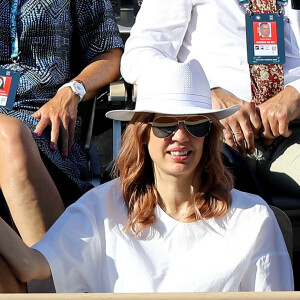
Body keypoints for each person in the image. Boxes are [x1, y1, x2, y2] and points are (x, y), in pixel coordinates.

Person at [0, 59, 293, 293]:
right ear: (142, 134)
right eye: (165, 124)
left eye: (196, 125)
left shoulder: (253, 219)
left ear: (209, 136)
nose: (181, 136)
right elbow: (31, 267)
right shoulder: (101, 209)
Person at [120, 0, 300, 199]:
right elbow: (139, 57)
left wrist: (296, 93)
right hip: (208, 132)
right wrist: (206, 93)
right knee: (221, 201)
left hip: (292, 133)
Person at [0, 0, 123, 248]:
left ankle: (51, 275)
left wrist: (73, 91)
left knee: (9, 134)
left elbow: (109, 54)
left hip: (42, 118)